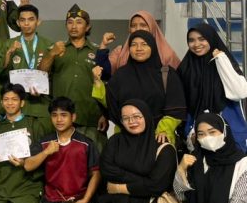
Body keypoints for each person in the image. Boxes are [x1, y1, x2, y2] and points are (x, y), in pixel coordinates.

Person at [88, 100, 177, 203]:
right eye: (126, 118)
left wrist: (120, 187)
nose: (132, 121)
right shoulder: (115, 141)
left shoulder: (163, 148)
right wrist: (143, 180)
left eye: (137, 116)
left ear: (146, 116)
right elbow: (106, 170)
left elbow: (157, 186)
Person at [25, 97, 101, 203]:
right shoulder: (45, 141)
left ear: (73, 117)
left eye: (64, 115)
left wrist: (86, 199)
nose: (59, 119)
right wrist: (46, 152)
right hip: (52, 199)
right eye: (54, 115)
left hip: (76, 200)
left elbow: (96, 174)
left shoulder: (85, 143)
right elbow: (28, 165)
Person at [38, 4, 112, 152]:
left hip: (90, 117)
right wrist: (52, 54)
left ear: (88, 27)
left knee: (92, 159)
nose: (74, 26)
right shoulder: (55, 49)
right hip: (61, 117)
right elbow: (40, 76)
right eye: (70, 22)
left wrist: (105, 114)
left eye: (79, 22)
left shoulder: (97, 51)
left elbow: (105, 84)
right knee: (61, 160)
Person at [175, 113, 247, 203]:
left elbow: (239, 201)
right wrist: (181, 169)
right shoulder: (196, 159)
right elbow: (181, 196)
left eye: (212, 132)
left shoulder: (242, 163)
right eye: (201, 134)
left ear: (224, 132)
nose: (207, 138)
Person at [105, 30, 186, 145]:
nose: (139, 48)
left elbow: (176, 109)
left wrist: (164, 130)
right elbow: (112, 105)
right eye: (134, 44)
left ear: (152, 47)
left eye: (144, 44)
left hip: (158, 137)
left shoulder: (167, 74)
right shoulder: (120, 75)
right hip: (126, 139)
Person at [178, 23, 247, 151]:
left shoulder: (224, 62)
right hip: (198, 133)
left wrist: (221, 60)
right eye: (191, 40)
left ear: (211, 38)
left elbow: (240, 92)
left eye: (202, 39)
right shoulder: (185, 68)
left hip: (230, 130)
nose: (196, 44)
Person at [1, 4, 53, 136]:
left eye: (31, 19)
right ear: (18, 22)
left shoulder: (48, 45)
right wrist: (9, 53)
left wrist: (43, 88)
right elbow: (1, 74)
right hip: (16, 108)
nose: (26, 23)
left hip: (41, 107)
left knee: (42, 144)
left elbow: (54, 76)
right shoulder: (8, 44)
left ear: (38, 21)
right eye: (22, 20)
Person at [108, 10, 181, 74]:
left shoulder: (167, 55)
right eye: (133, 26)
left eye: (143, 25)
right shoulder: (120, 51)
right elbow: (106, 71)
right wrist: (103, 46)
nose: (138, 29)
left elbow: (176, 80)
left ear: (152, 27)